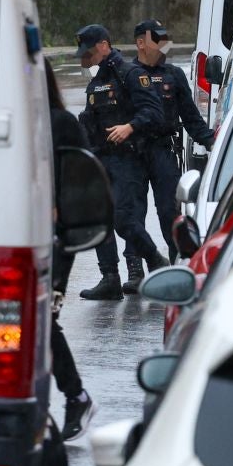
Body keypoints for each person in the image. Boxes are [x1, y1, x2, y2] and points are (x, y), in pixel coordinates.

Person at [74, 24, 170, 300]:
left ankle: (155, 260)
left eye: (90, 51)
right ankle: (110, 278)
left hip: (128, 160)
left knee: (123, 220)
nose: (88, 57)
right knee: (101, 219)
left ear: (104, 45)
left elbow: (154, 112)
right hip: (101, 159)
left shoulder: (131, 74)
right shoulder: (97, 81)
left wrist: (130, 126)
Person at [42, 60, 96, 438]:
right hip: (17, 233)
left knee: (44, 320)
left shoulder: (61, 123)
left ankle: (75, 395)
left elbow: (84, 176)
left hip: (57, 237)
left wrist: (59, 205)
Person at [131, 20, 215, 259]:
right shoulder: (128, 75)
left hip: (164, 150)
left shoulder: (174, 75)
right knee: (134, 213)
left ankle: (177, 263)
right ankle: (135, 270)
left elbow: (191, 117)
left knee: (170, 211)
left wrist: (212, 141)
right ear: (141, 43)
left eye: (165, 38)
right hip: (134, 153)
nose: (165, 44)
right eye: (158, 39)